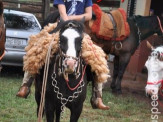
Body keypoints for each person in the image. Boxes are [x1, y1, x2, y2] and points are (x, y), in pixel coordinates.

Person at [17, 0, 109, 110]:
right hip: (60, 27)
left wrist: (73, 18)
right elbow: (63, 13)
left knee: (98, 58)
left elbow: (89, 15)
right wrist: (70, 20)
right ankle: (26, 84)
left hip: (79, 30)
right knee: (37, 49)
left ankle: (97, 96)